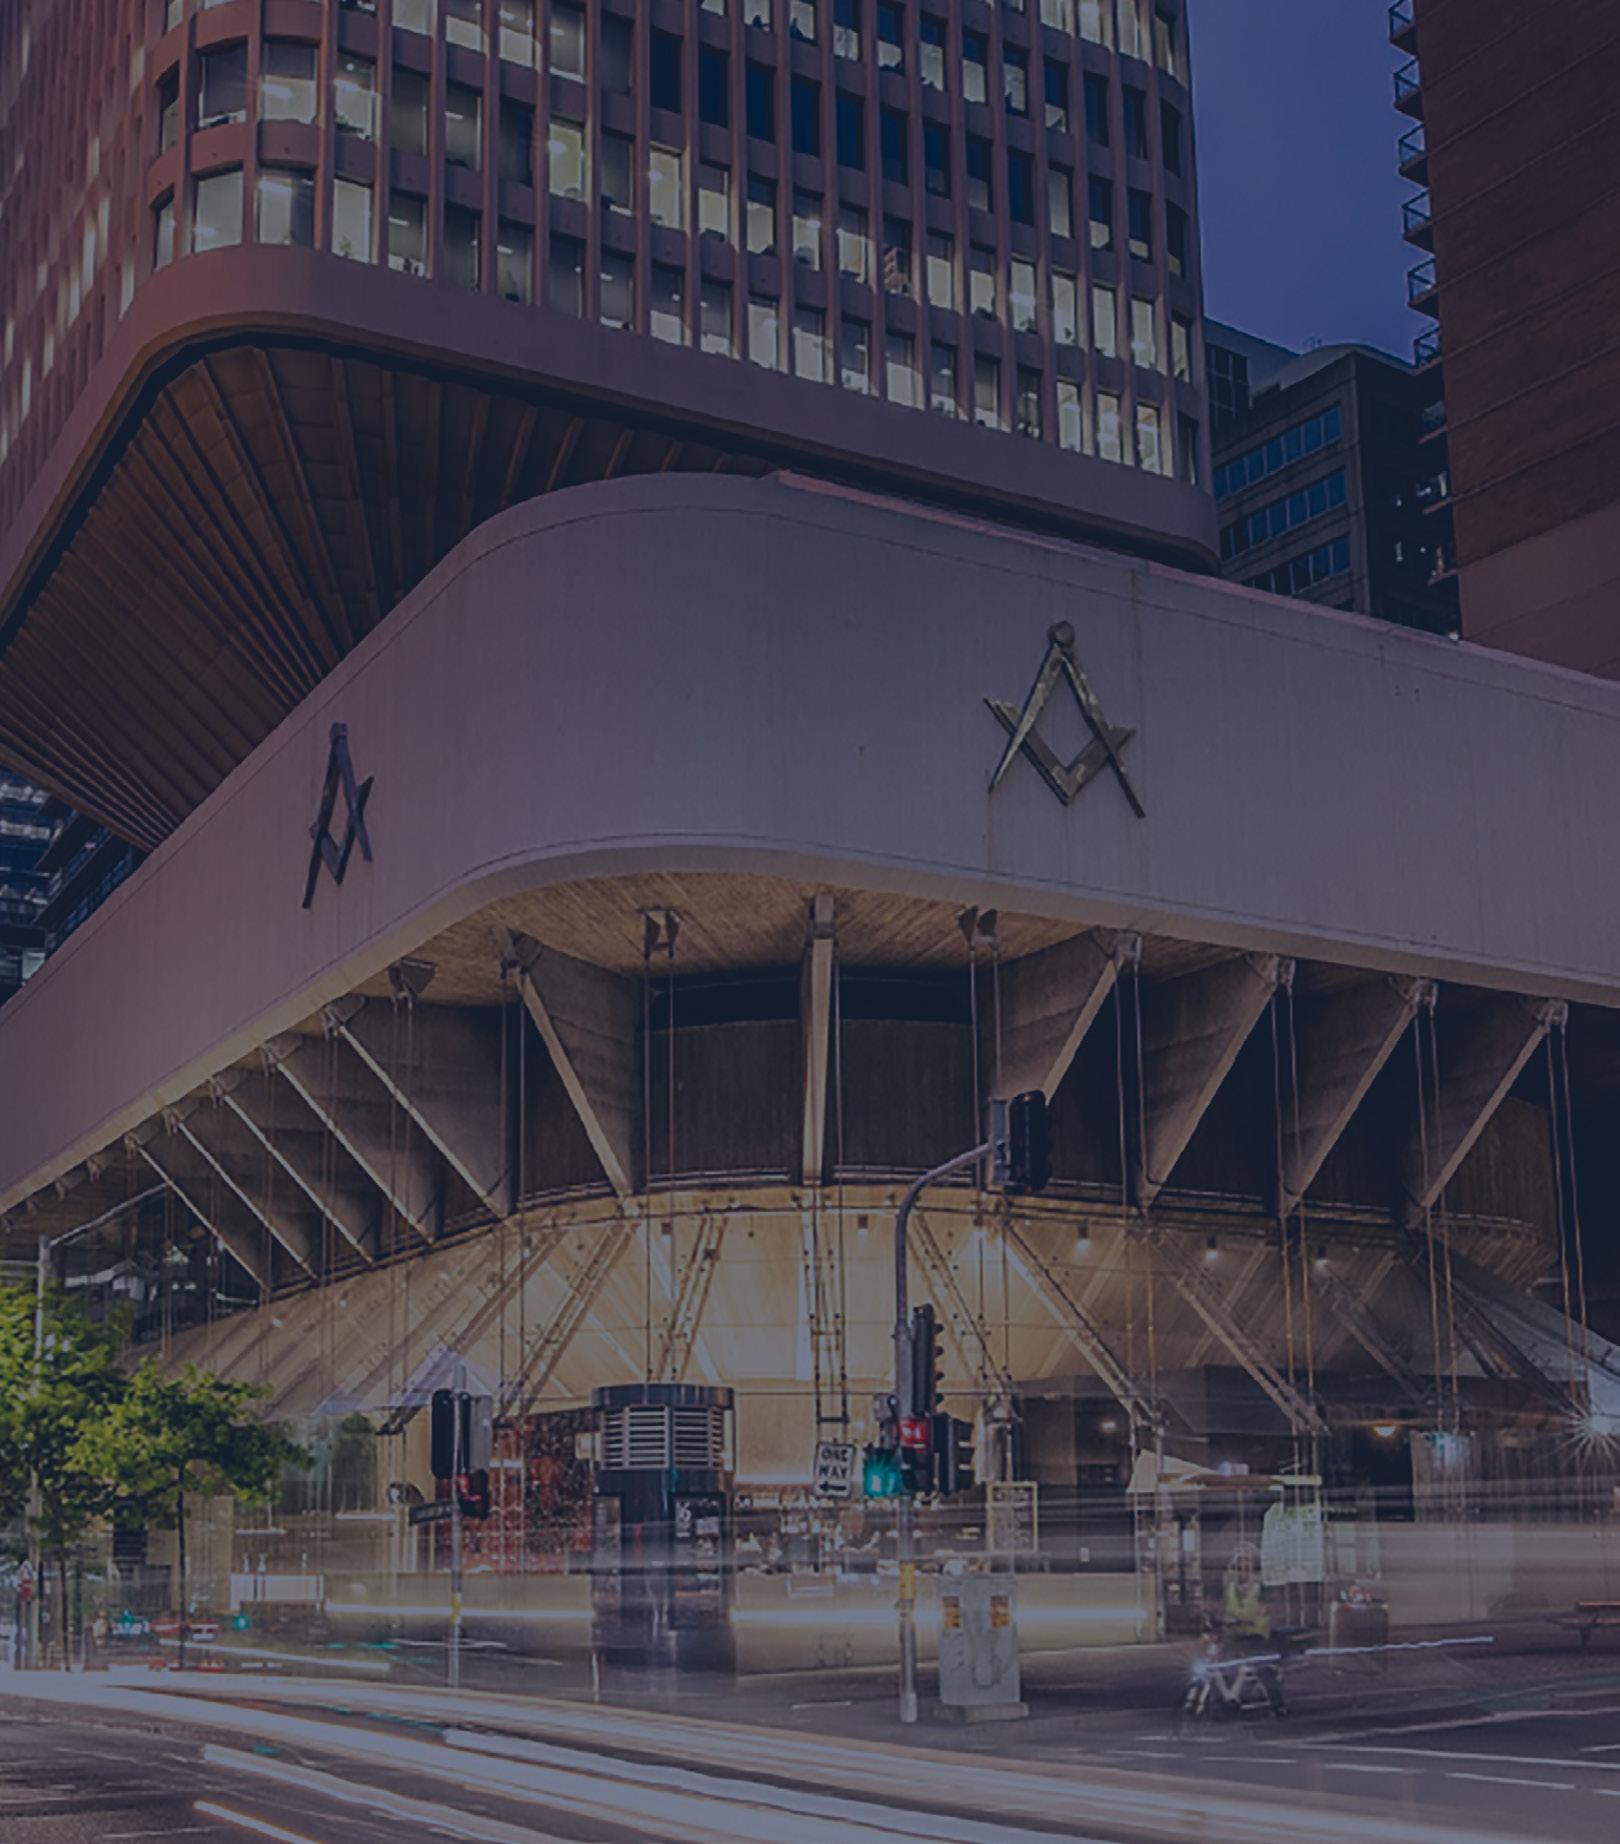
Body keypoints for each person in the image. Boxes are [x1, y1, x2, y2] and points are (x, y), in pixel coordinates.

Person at [1220, 1545, 1285, 1714]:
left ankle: (1278, 1705)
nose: (1243, 1569)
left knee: (1262, 1668)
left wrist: (1249, 1618)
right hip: (1234, 1635)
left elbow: (1266, 1609)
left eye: (1247, 1564)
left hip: (1256, 1635)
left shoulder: (1261, 1587)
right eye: (1239, 1565)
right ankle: (1224, 1700)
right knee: (1217, 1666)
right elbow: (1222, 1607)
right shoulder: (1229, 1587)